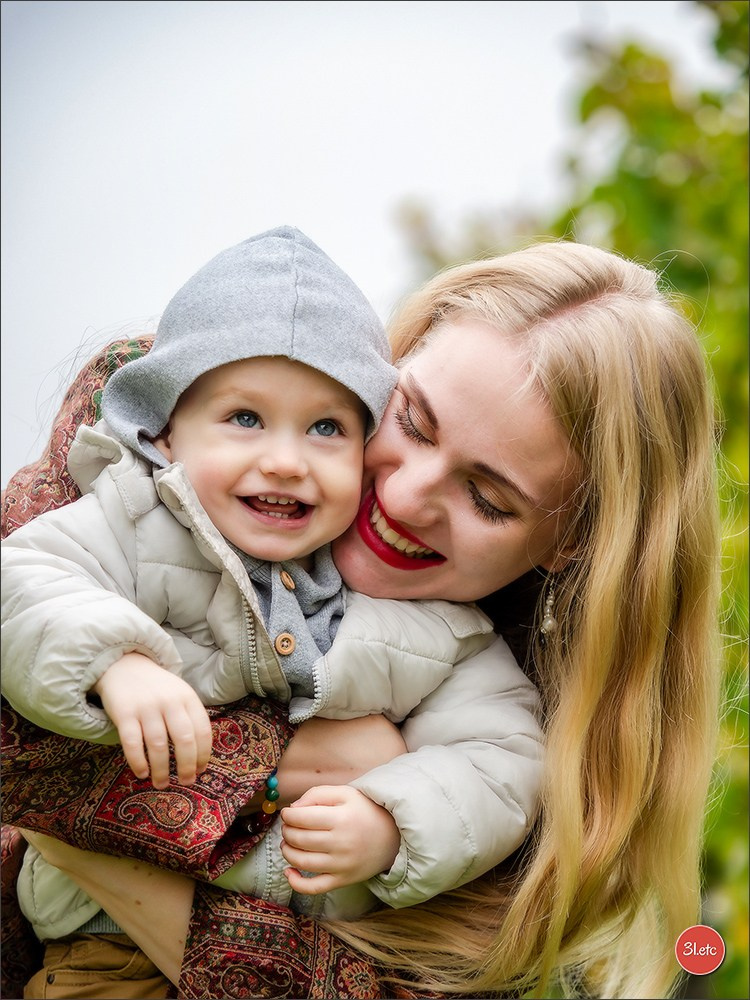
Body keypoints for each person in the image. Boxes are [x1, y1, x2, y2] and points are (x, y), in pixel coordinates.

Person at [4, 237, 721, 1000]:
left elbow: (496, 773)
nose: (407, 499)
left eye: (488, 499)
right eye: (411, 420)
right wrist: (269, 765)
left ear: (572, 544)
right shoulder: (165, 456)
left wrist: (389, 815)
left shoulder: (461, 651)